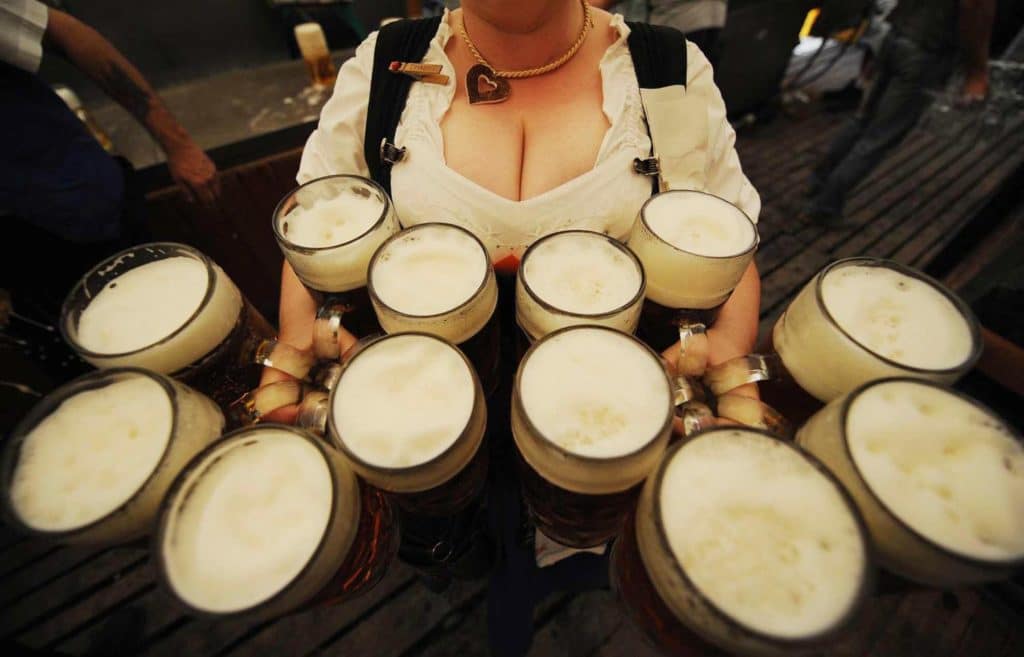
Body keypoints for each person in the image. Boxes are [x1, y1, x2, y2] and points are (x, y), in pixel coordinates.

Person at [266, 1, 760, 654]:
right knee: (467, 538)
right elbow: (315, 225)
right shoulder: (386, 64)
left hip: (595, 413)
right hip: (426, 405)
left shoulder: (665, 67)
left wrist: (729, 374)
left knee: (576, 539)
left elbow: (728, 238)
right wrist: (292, 363)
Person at [1, 0, 220, 378]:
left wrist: (179, 144)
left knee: (175, 337)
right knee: (94, 379)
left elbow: (64, 31)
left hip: (73, 200)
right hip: (14, 252)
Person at [803, 0, 995, 227]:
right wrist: (977, 69)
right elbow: (975, 7)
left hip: (896, 37)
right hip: (925, 50)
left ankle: (818, 183)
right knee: (880, 136)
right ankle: (825, 207)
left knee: (862, 120)